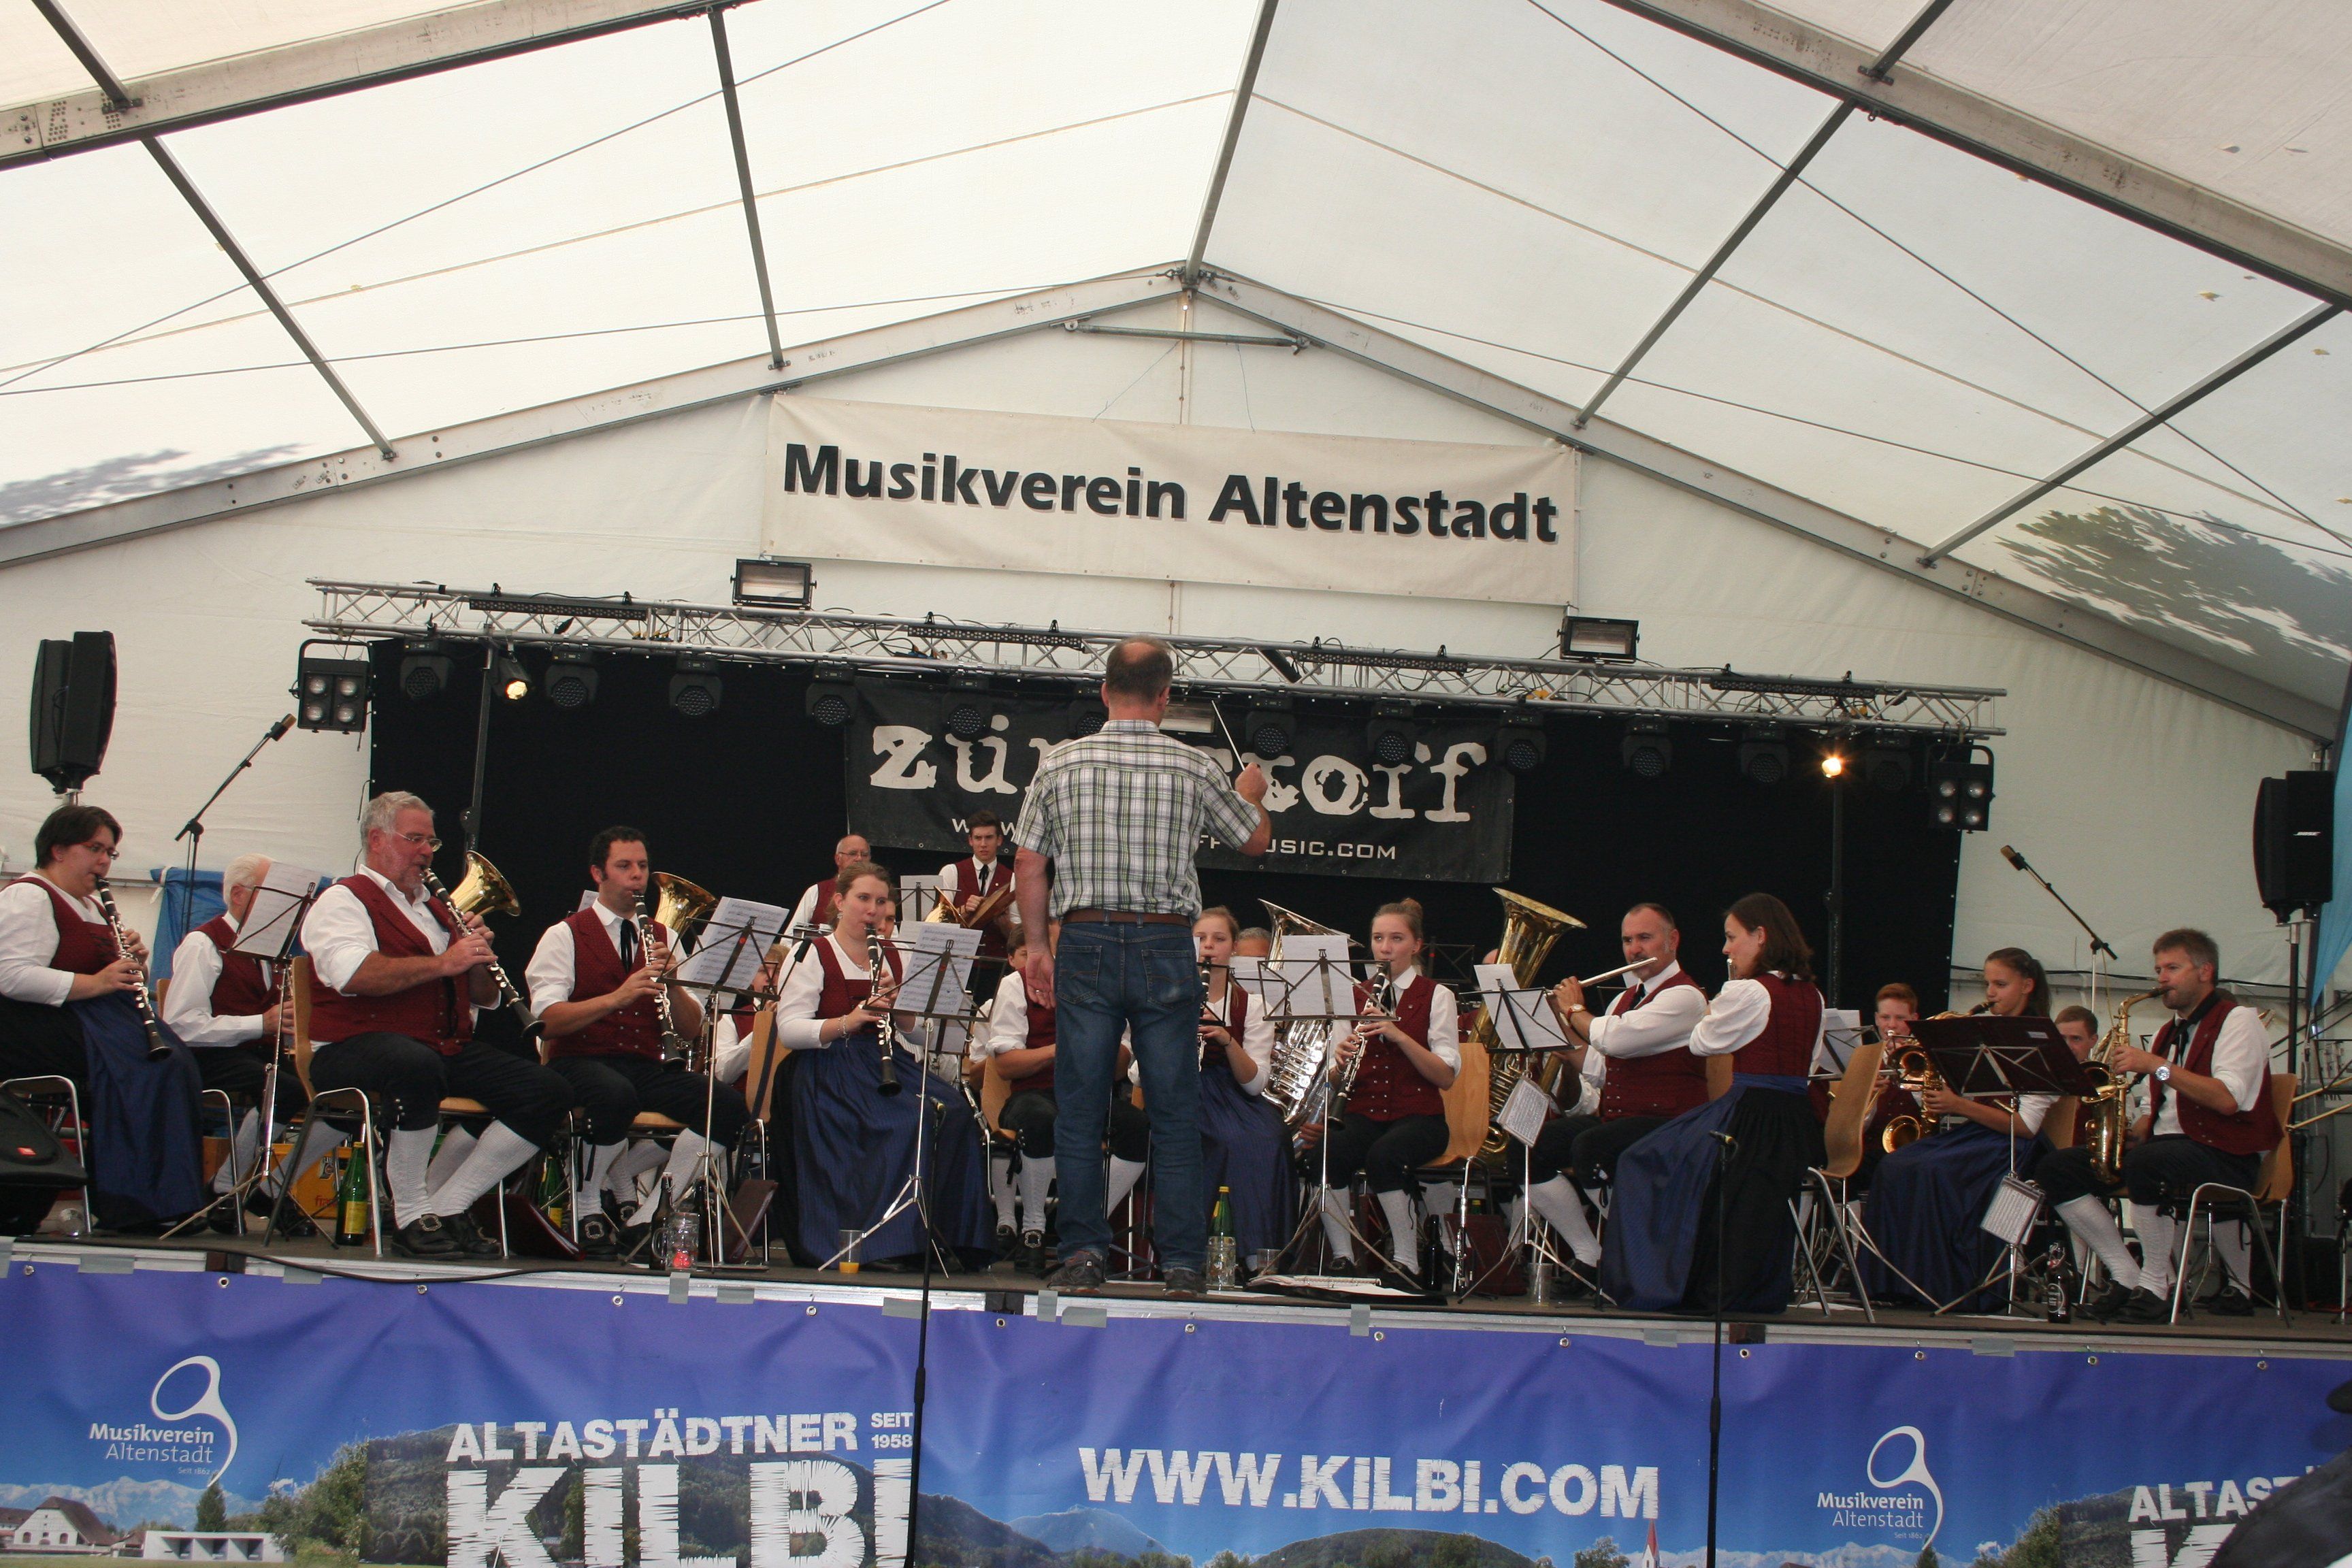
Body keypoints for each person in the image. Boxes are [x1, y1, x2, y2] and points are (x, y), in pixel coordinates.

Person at [1012, 636, 1271, 1297]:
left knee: (1079, 1108)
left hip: (1086, 939)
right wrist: (1250, 794)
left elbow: (1029, 863)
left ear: (1104, 691)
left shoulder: (1059, 763)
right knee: (1174, 1110)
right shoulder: (1194, 765)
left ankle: (1083, 1255)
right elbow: (1255, 841)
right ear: (1165, 697)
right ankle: (1182, 1264)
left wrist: (1037, 947)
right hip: (1165, 944)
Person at [299, 792, 572, 1259]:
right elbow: (353, 974)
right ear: (377, 840)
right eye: (415, 839)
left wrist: (476, 958)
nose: (427, 851)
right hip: (349, 1047)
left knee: (547, 1091)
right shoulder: (343, 900)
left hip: (435, 1047)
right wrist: (445, 961)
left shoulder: (435, 908)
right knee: (415, 1065)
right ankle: (410, 1214)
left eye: (431, 842)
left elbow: (484, 998)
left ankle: (449, 1205)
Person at [526, 827, 747, 1259]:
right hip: (579, 1060)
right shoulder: (565, 934)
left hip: (642, 1064)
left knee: (724, 1106)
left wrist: (675, 985)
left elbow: (691, 1030)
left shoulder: (664, 936)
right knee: (614, 1094)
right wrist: (619, 996)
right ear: (598, 874)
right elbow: (547, 1021)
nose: (637, 876)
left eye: (642, 866)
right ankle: (587, 1206)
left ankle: (647, 1218)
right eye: (624, 866)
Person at [1602, 893, 1826, 1314]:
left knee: (1643, 1159)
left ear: (1761, 937)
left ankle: (1658, 1279)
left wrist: (1720, 1003)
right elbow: (1810, 1063)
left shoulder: (1751, 992)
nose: (1726, 949)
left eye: (1732, 938)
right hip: (1794, 1120)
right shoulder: (1812, 995)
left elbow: (1703, 1043)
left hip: (1750, 1117)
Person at [2038, 929, 2276, 1323]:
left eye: (2172, 968)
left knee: (2148, 1163)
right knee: (2057, 1168)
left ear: (2205, 971)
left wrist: (2156, 1066)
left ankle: (2156, 1285)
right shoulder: (2169, 1032)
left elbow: (2226, 1099)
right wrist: (2134, 1128)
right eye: (2158, 969)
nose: (2162, 978)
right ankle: (2126, 1274)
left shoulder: (2239, 1022)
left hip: (2227, 1154)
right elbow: (2157, 1107)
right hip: (2167, 1148)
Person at [770, 862, 990, 1267]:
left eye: (881, 901)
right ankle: (881, 1243)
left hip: (883, 1061)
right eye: (863, 899)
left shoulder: (897, 955)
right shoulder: (812, 953)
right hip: (826, 1067)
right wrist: (850, 1020)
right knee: (904, 1121)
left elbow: (923, 1035)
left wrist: (901, 1010)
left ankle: (939, 1240)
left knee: (956, 1114)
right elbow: (790, 1030)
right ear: (839, 902)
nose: (873, 910)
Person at [0, 804, 206, 1230]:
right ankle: (133, 1204)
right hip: (35, 1024)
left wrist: (133, 964)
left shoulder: (92, 906)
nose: (104, 861)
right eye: (94, 849)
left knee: (175, 1065)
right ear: (58, 850)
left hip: (96, 1019)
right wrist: (97, 982)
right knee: (142, 1069)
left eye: (110, 853)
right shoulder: (30, 896)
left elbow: (109, 975)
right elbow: (11, 975)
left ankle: (167, 1199)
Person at [1862, 947, 2061, 1311]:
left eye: (2000, 985)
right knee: (1895, 1165)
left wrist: (1957, 1105)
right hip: (1981, 1135)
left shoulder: (2039, 1041)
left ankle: (1943, 1285)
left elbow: (2026, 1127)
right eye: (1988, 985)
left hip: (2013, 1146)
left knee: (1933, 1170)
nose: (1991, 993)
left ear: (2027, 986)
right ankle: (1897, 1283)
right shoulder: (1984, 1033)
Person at [161, 852, 343, 1235]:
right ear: (239, 895)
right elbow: (180, 1025)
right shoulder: (203, 944)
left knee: (342, 1096)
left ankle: (270, 1188)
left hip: (257, 1053)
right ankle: (225, 1189)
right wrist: (261, 1022)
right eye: (274, 895)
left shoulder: (270, 951)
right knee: (282, 1088)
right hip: (207, 1056)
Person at [1529, 902, 1706, 1281]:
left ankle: (1645, 1242)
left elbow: (1616, 1040)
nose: (1635, 950)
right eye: (1628, 941)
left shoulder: (1686, 997)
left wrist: (1574, 1008)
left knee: (1592, 1147)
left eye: (1645, 938)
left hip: (1671, 1123)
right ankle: (1589, 1253)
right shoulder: (1624, 999)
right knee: (1530, 1147)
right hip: (1623, 1119)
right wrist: (1557, 1030)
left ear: (1672, 940)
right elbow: (1602, 1067)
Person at [977, 921, 1149, 1273]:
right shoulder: (1017, 984)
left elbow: (1119, 1068)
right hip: (1032, 1093)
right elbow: (1007, 1065)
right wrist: (1062, 1048)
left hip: (1089, 1094)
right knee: (1042, 1120)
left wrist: (1107, 1034)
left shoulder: (1107, 982)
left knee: (1138, 1129)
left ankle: (1083, 1221)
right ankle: (1034, 1229)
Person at [1311, 900, 1459, 1284]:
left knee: (1385, 1156)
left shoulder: (1436, 995)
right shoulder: (1353, 994)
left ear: (1416, 945)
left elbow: (1445, 1076)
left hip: (1421, 1117)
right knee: (1326, 1153)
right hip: (1364, 1112)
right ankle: (1343, 1257)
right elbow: (1333, 1077)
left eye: (1396, 939)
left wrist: (1399, 1035)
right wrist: (1339, 1063)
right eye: (1378, 939)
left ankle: (1406, 1261)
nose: (1385, 948)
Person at [1194, 906, 1288, 1268]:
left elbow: (1255, 1084)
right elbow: (1139, 1075)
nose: (1209, 947)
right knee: (1228, 1140)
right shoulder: (1169, 999)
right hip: (1183, 1091)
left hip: (1233, 1093)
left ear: (1233, 948)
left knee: (1270, 1137)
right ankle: (1209, 1253)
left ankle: (1259, 1254)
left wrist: (1227, 1040)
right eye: (1200, 938)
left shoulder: (1252, 1005)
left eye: (1219, 939)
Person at [936, 811, 1016, 960]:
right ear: (970, 841)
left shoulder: (1012, 878)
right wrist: (965, 910)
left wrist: (1004, 923)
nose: (983, 844)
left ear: (999, 840)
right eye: (978, 838)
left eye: (989, 838)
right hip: (957, 960)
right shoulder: (951, 872)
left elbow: (1019, 936)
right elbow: (937, 924)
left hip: (996, 962)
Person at [788, 834, 872, 932]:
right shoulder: (817, 892)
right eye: (853, 854)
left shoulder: (879, 894)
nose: (859, 858)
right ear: (838, 859)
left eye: (864, 855)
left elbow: (888, 938)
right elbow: (790, 937)